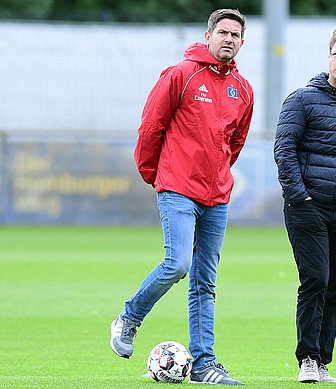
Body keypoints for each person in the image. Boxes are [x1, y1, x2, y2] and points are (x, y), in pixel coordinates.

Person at [109, 8, 253, 386]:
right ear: (207, 36)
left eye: (234, 34)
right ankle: (129, 318)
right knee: (177, 264)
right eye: (221, 32)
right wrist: (153, 172)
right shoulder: (181, 75)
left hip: (217, 195)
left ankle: (204, 365)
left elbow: (234, 143)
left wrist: (217, 172)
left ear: (242, 43)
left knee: (205, 280)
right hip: (177, 187)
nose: (228, 39)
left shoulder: (244, 89)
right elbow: (151, 125)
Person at [273, 26, 336, 383]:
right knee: (315, 278)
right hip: (308, 207)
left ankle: (323, 361)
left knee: (335, 288)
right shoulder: (302, 99)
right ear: (328, 57)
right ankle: (307, 359)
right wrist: (299, 196)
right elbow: (284, 150)